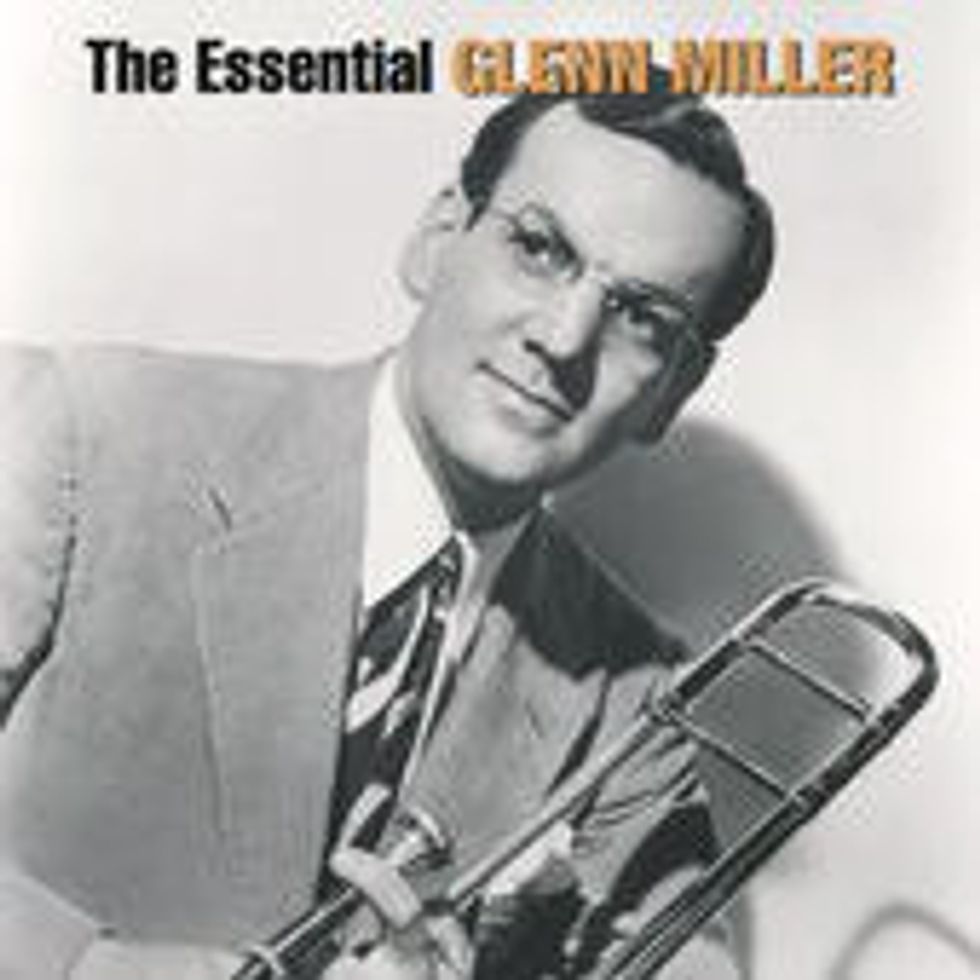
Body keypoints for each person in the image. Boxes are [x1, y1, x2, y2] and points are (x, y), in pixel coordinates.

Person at [0, 73, 774, 980]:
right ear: (437, 239)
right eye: (539, 249)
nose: (565, 339)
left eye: (642, 317)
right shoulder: (83, 427)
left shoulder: (630, 696)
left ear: (674, 389)